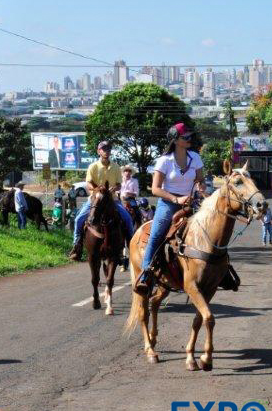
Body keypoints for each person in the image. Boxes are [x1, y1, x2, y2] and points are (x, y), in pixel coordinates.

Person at [135, 122, 205, 294]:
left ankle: (219, 271)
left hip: (191, 202)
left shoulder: (195, 157)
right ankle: (146, 273)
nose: (190, 139)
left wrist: (201, 191)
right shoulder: (164, 161)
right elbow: (155, 188)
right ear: (175, 140)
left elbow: (200, 181)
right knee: (157, 235)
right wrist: (176, 198)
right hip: (168, 203)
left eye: (190, 136)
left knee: (210, 231)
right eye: (185, 137)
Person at [70, 141, 135, 257]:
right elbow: (89, 183)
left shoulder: (116, 167)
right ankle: (77, 246)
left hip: (112, 200)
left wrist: (114, 188)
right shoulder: (93, 167)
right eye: (104, 149)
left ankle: (131, 244)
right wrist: (97, 190)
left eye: (108, 149)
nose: (106, 151)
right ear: (98, 151)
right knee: (78, 219)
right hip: (95, 199)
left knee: (128, 218)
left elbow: (119, 184)